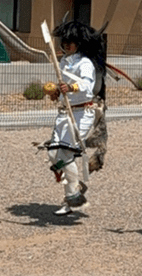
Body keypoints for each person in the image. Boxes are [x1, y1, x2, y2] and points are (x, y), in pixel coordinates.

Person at [45, 21, 107, 216]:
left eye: (71, 41)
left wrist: (71, 88)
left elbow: (88, 86)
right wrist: (56, 92)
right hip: (65, 111)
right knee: (54, 154)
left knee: (66, 153)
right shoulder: (63, 61)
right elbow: (63, 86)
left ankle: (71, 196)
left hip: (82, 113)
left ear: (79, 42)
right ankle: (75, 190)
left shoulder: (85, 63)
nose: (67, 44)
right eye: (65, 41)